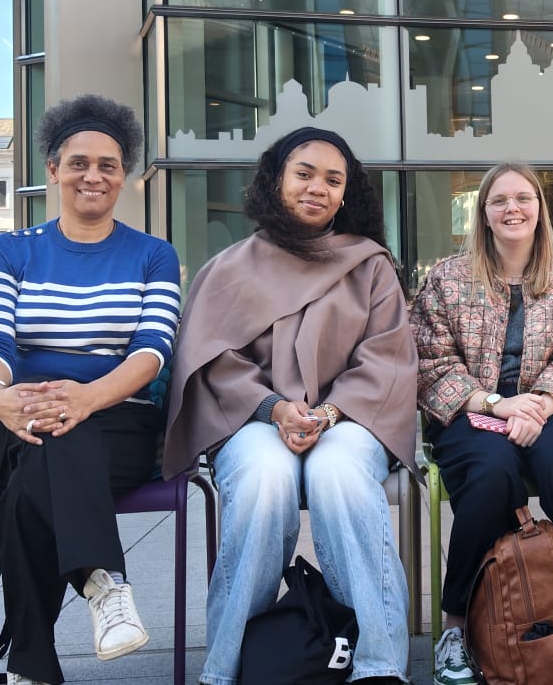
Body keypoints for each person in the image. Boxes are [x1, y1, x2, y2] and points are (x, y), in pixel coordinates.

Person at [165, 127, 415, 685]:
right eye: (304, 173)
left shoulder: (370, 266)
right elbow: (212, 360)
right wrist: (275, 408)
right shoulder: (230, 268)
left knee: (338, 471)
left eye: (333, 179)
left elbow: (386, 357)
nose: (317, 188)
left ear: (346, 194)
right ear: (276, 180)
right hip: (253, 419)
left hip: (349, 419)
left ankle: (379, 665)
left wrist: (328, 414)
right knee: (263, 477)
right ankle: (226, 667)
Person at [0, 94, 182, 685]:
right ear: (54, 170)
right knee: (52, 431)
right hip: (14, 414)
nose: (93, 175)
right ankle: (103, 582)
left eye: (108, 165)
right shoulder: (11, 251)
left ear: (124, 176)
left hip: (118, 418)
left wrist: (86, 398)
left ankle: (30, 666)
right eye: (79, 163)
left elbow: (151, 352)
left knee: (29, 487)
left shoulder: (153, 256)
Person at [412, 162, 553, 685]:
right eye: (499, 200)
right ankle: (458, 624)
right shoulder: (446, 278)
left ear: (540, 208)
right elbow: (430, 360)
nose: (512, 208)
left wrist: (542, 404)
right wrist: (495, 404)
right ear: (483, 213)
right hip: (471, 410)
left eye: (523, 198)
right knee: (492, 469)